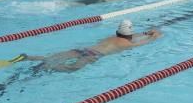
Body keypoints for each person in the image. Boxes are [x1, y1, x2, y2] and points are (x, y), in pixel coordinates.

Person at [22, 19, 161, 72]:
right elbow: (145, 42)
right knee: (72, 69)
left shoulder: (112, 37)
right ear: (131, 33)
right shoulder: (127, 44)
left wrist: (145, 32)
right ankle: (50, 67)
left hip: (83, 50)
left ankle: (28, 57)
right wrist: (154, 35)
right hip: (93, 56)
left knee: (49, 57)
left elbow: (133, 35)